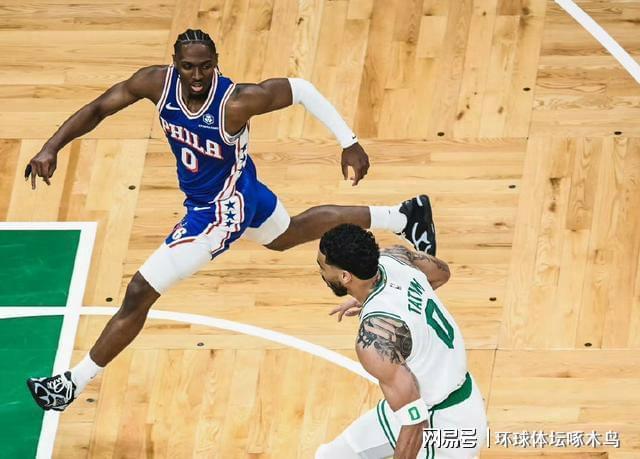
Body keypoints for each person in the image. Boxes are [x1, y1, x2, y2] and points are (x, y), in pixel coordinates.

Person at [25, 29, 436, 412]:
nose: (197, 76)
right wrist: (51, 147)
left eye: (206, 66)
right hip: (243, 188)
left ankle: (71, 385)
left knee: (138, 292)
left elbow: (301, 90)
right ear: (174, 63)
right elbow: (99, 107)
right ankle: (403, 216)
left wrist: (349, 142)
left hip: (220, 211)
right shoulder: (155, 84)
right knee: (287, 234)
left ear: (216, 62)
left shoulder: (236, 102)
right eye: (188, 67)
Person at [315, 224, 486, 459]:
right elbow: (441, 273)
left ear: (345, 277)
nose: (321, 272)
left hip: (445, 423)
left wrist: (384, 307)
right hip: (434, 398)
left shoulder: (374, 339)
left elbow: (416, 425)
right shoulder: (396, 256)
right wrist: (376, 302)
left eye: (322, 267)